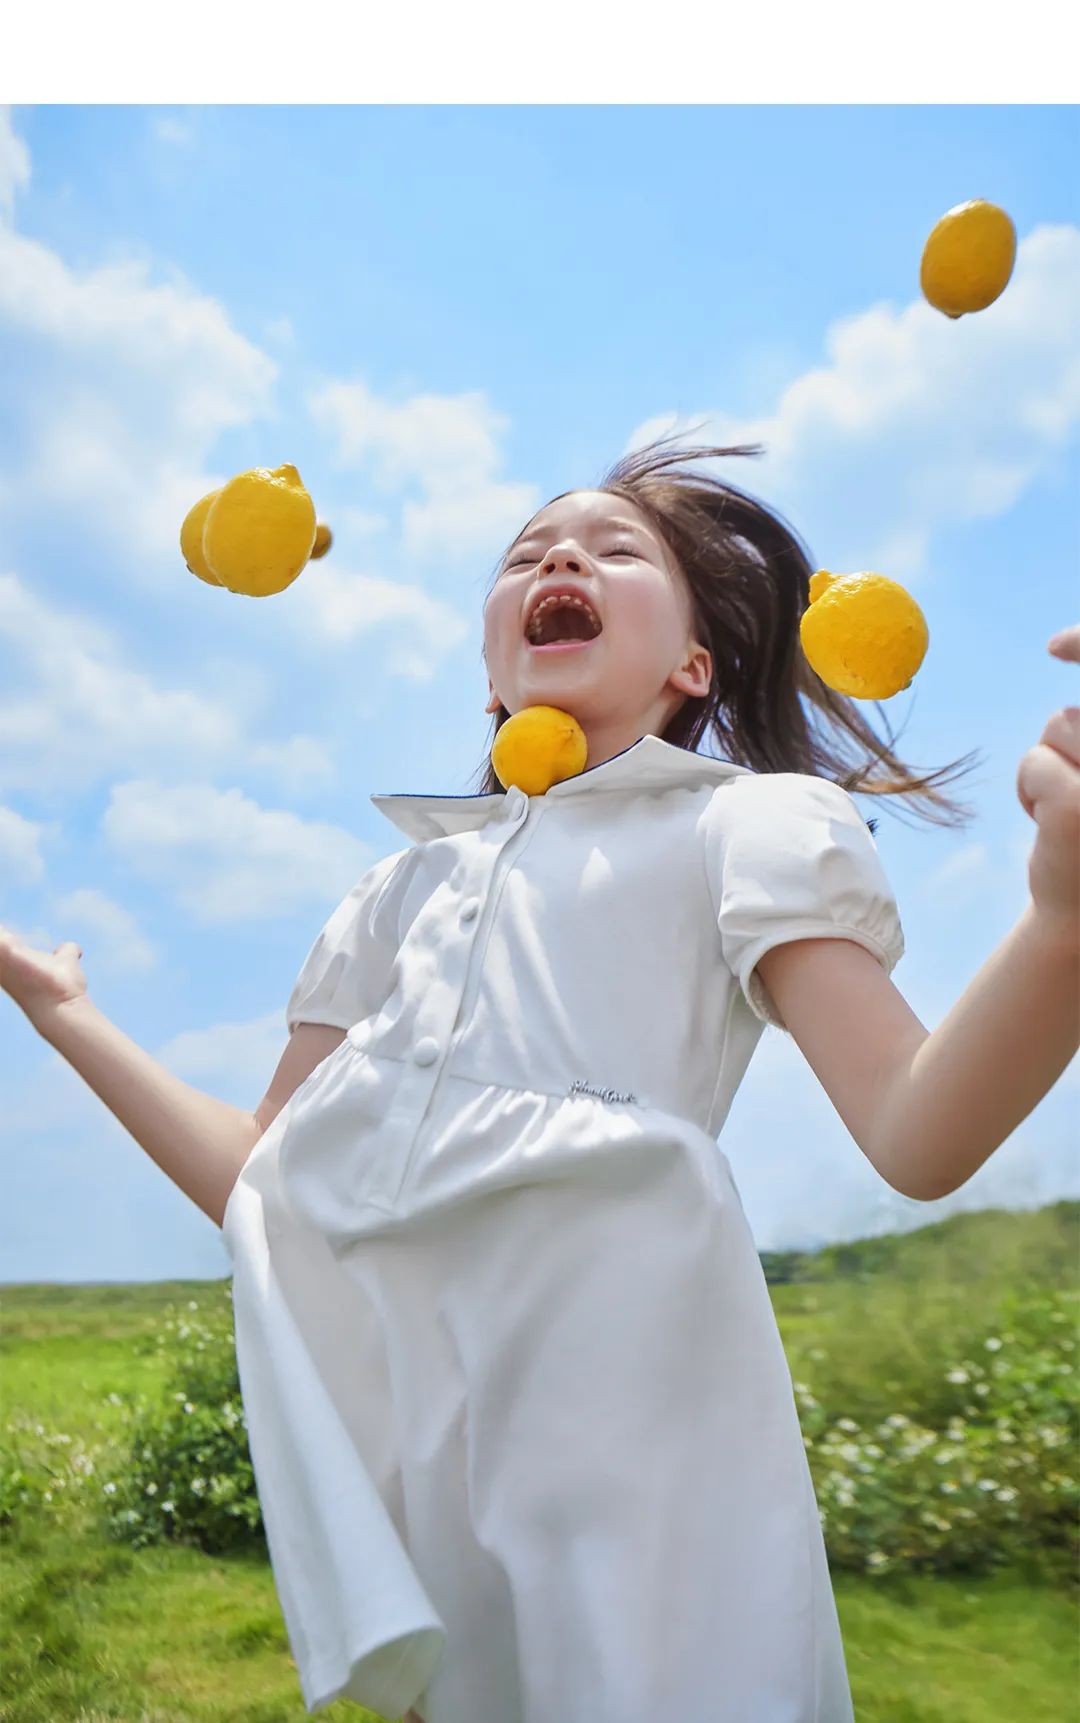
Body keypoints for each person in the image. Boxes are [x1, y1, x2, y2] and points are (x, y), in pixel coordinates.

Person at [3, 437, 1078, 1723]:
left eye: (617, 551)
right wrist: (67, 1015)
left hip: (624, 1373)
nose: (561, 556)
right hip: (408, 1395)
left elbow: (918, 1128)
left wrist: (1062, 925)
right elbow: (265, 1182)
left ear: (694, 665)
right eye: (527, 553)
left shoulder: (740, 823)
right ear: (491, 663)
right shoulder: (397, 891)